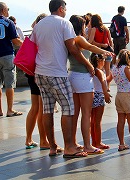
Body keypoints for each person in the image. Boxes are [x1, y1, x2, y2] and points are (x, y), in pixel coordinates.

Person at [30, 0, 93, 157]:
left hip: (40, 72)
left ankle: (52, 146)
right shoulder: (65, 23)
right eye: (65, 8)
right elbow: (73, 48)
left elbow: (33, 46)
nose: (66, 11)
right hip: (56, 72)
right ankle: (69, 147)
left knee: (47, 109)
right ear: (60, 9)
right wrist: (88, 64)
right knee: (68, 108)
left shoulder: (39, 25)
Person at [68, 15, 112, 155]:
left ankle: (74, 142)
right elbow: (90, 46)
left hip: (72, 75)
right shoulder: (78, 38)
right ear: (80, 26)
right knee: (86, 114)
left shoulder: (68, 40)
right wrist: (104, 51)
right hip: (82, 77)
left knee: (75, 114)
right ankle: (88, 145)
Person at [25, 14, 49, 150]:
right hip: (39, 73)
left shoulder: (33, 34)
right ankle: (43, 140)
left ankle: (28, 139)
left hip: (30, 73)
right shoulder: (42, 36)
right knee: (42, 109)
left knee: (35, 108)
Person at [90, 53, 112, 149]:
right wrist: (106, 94)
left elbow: (104, 81)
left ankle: (94, 141)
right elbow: (103, 82)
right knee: (97, 121)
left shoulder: (91, 70)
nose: (104, 63)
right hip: (99, 95)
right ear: (100, 61)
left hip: (91, 95)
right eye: (103, 61)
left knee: (92, 120)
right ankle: (98, 142)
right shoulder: (99, 71)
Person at [88, 14, 114, 90]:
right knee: (107, 69)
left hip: (98, 51)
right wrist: (110, 48)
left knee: (98, 69)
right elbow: (110, 41)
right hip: (108, 51)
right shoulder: (106, 29)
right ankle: (107, 86)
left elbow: (91, 42)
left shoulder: (94, 29)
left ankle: (99, 85)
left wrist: (100, 44)